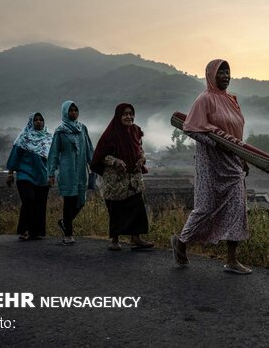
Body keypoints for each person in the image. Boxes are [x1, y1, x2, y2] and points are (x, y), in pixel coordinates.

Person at [171, 59, 251, 274]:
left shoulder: (232, 100)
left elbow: (236, 135)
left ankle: (232, 260)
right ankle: (182, 241)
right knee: (206, 207)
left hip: (232, 163)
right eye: (221, 72)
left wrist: (242, 157)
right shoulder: (204, 99)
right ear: (211, 75)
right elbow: (191, 128)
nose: (225, 76)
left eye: (228, 72)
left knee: (237, 208)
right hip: (211, 162)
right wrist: (216, 144)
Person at [91, 103, 153, 251]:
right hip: (116, 179)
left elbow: (140, 149)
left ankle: (136, 238)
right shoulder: (110, 134)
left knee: (137, 206)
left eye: (131, 113)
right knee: (116, 208)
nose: (129, 117)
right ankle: (114, 239)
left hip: (133, 178)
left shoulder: (136, 131)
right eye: (125, 114)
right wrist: (115, 161)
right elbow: (100, 155)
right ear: (118, 116)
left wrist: (142, 159)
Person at [47, 101, 94, 245]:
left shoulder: (82, 129)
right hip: (67, 171)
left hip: (80, 171)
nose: (73, 113)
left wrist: (93, 165)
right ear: (65, 113)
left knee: (81, 201)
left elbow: (88, 149)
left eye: (75, 110)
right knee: (69, 202)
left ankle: (64, 222)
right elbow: (54, 153)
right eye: (70, 111)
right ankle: (68, 235)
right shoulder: (60, 131)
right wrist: (51, 173)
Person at [6, 112, 52, 240]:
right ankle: (24, 229)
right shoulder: (23, 137)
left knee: (40, 204)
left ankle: (36, 231)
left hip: (42, 176)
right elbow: (15, 155)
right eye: (35, 120)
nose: (38, 122)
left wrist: (52, 175)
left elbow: (53, 159)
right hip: (25, 175)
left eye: (40, 120)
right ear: (31, 122)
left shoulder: (49, 138)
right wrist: (10, 173)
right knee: (29, 200)